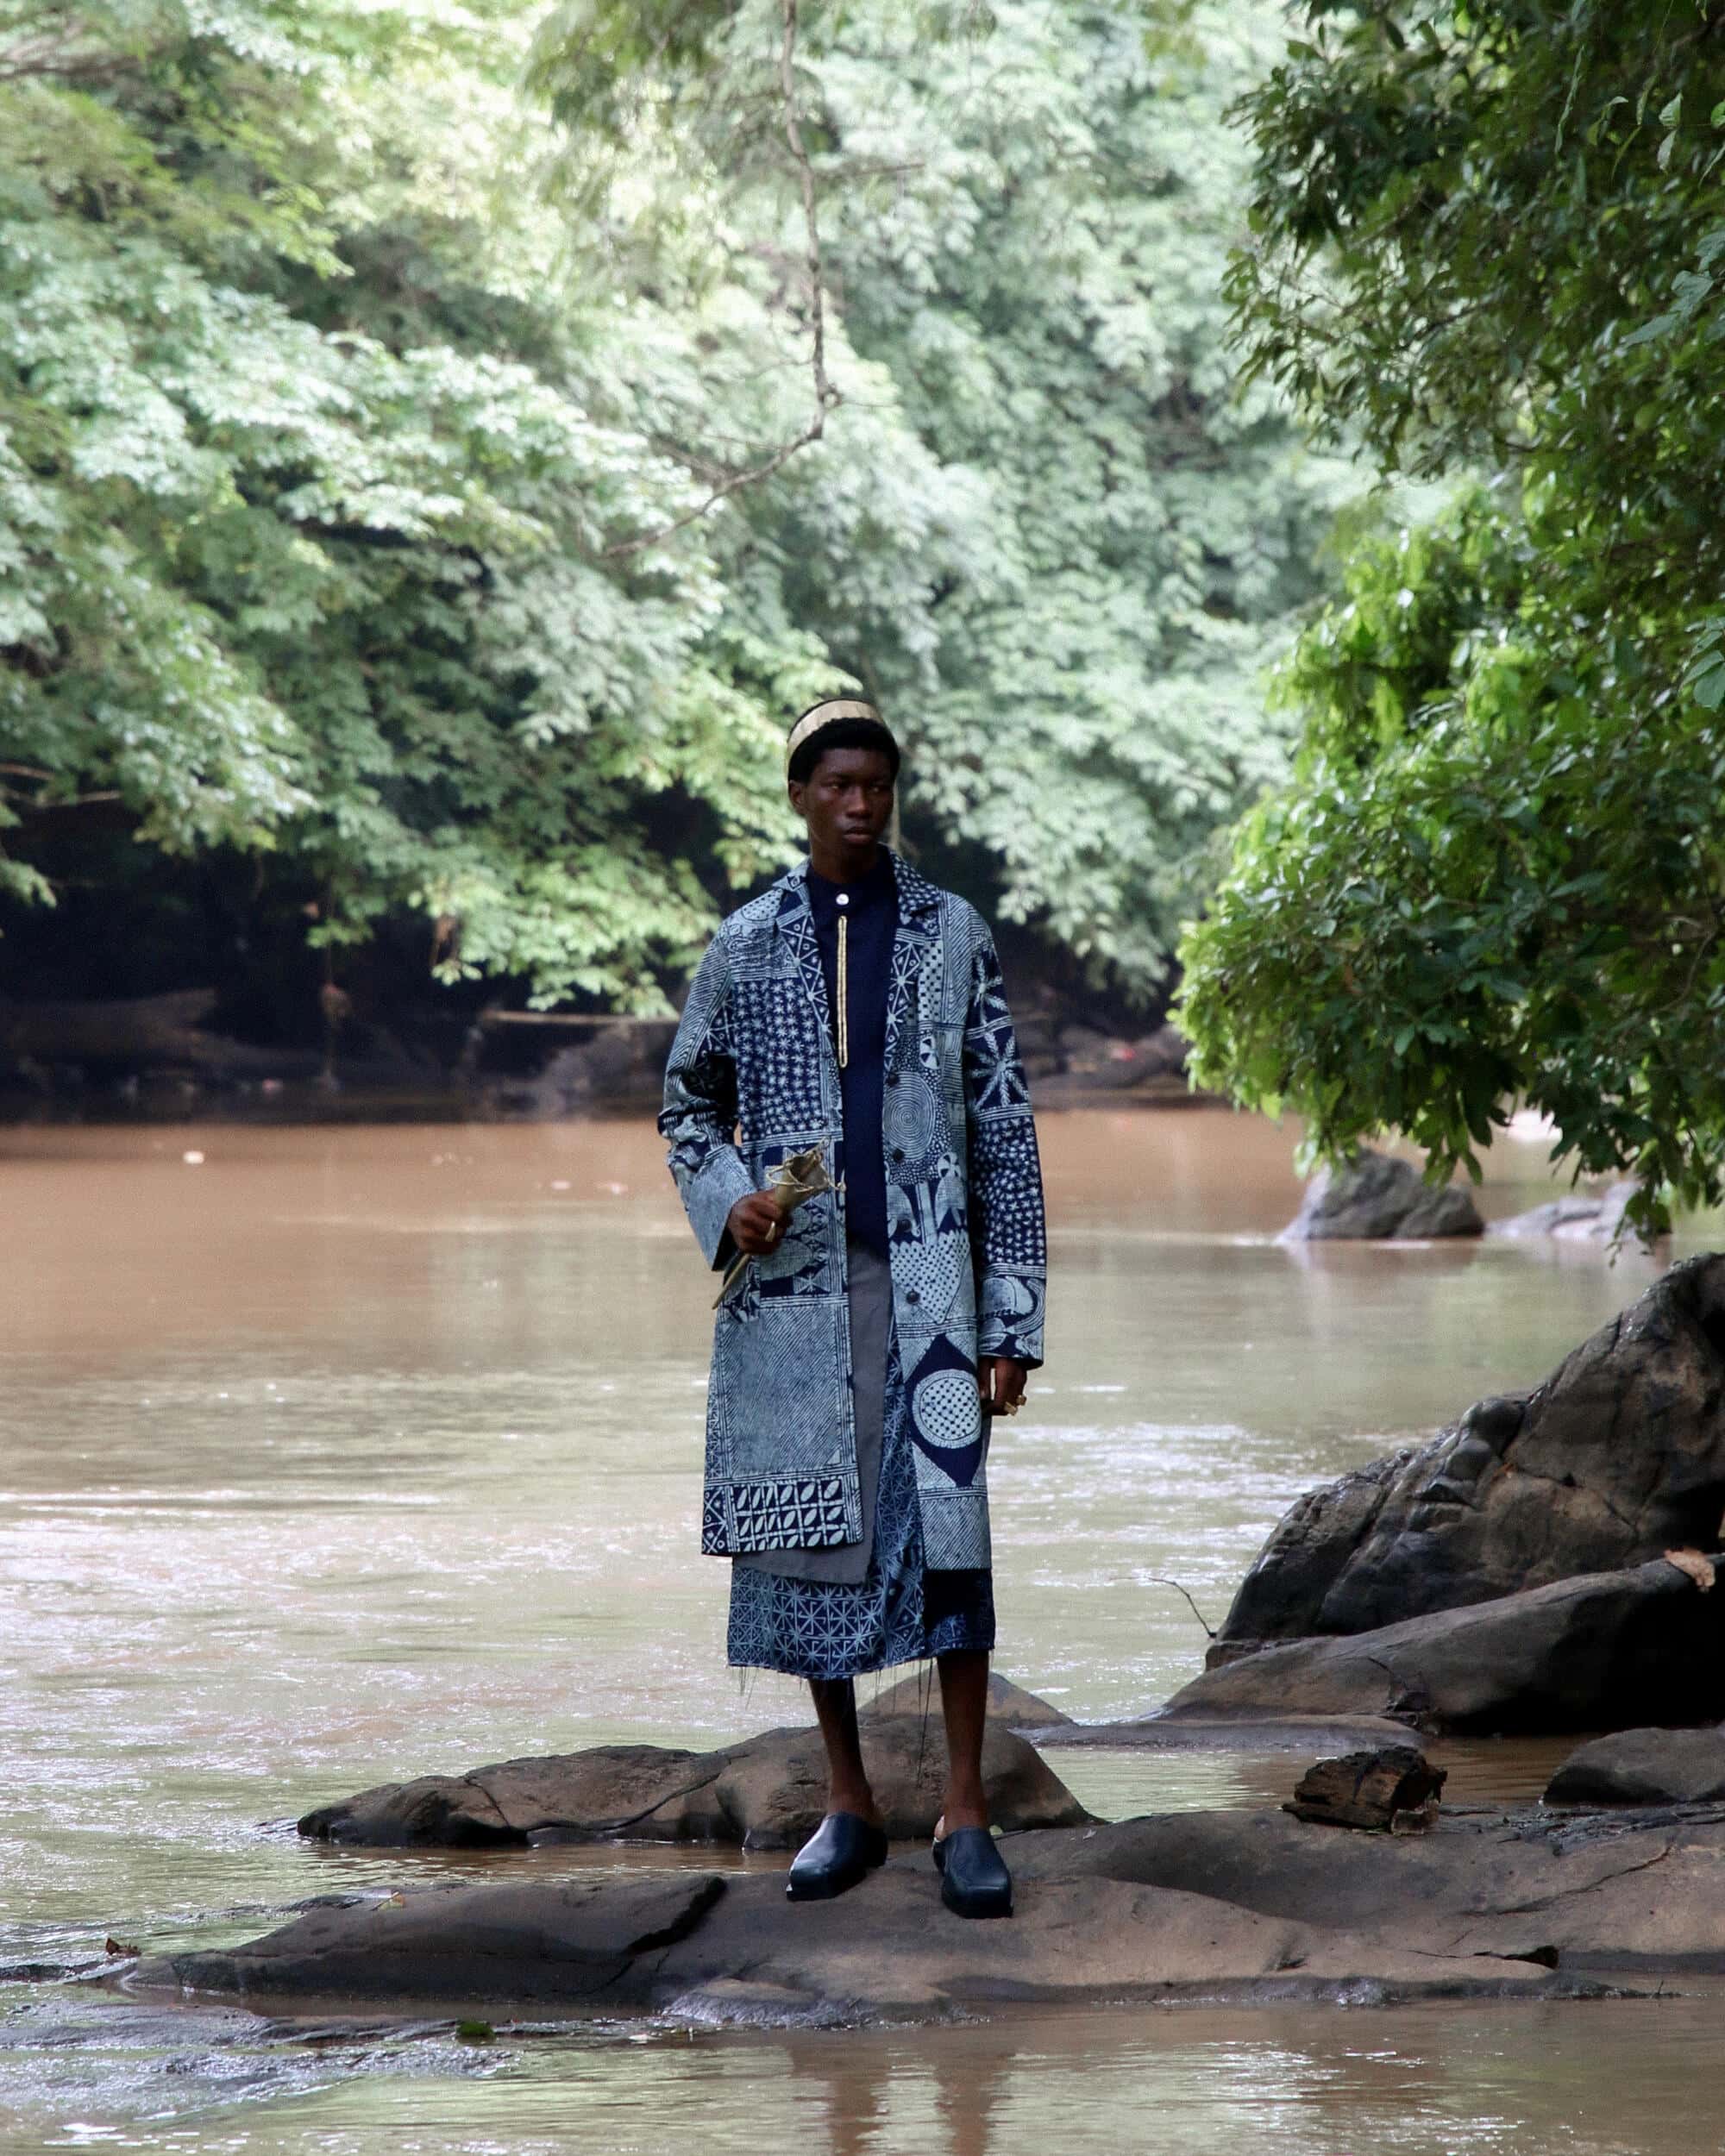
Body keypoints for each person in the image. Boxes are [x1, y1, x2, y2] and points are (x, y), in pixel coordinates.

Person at [660, 697, 1046, 1919]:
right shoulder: (747, 943)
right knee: (806, 1539)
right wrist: (729, 1198)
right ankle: (848, 1803)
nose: (860, 803)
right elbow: (686, 1104)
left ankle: (967, 1812)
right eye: (837, 784)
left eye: (877, 783)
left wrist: (1012, 1319)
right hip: (794, 1293)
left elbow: (1004, 1126)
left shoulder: (953, 932)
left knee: (952, 1537)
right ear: (800, 797)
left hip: (934, 1279)